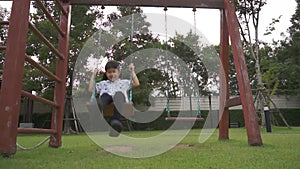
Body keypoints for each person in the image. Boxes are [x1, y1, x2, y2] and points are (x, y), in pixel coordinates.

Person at [88, 60, 140, 137]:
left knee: (118, 94)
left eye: (114, 71)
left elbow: (136, 83)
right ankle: (97, 113)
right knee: (105, 95)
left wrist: (132, 71)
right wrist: (93, 75)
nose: (112, 74)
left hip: (119, 101)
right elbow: (90, 89)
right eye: (109, 72)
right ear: (106, 73)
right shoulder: (103, 84)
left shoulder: (123, 83)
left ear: (118, 73)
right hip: (106, 101)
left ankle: (116, 123)